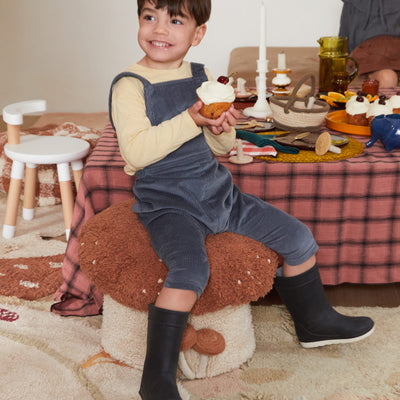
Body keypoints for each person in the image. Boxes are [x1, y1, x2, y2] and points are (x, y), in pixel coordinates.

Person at [109, 1, 375, 399]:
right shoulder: (131, 84)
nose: (159, 29)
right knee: (189, 269)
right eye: (150, 17)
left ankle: (314, 323)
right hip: (167, 202)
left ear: (197, 34)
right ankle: (157, 377)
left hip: (217, 192)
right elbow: (136, 153)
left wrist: (220, 126)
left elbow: (218, 144)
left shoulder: (201, 78)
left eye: (175, 20)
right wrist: (192, 119)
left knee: (299, 238)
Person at [339, 0, 400, 88]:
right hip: (368, 52)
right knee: (387, 78)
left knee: (388, 77)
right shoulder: (352, 3)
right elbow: (345, 32)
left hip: (396, 50)